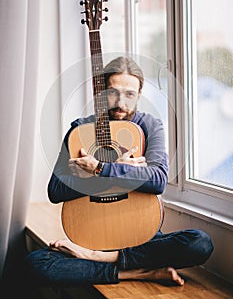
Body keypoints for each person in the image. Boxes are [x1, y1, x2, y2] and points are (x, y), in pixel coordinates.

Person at [25, 56, 213, 287]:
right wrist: (119, 173)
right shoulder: (79, 129)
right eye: (113, 92)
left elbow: (158, 181)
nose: (121, 103)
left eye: (130, 94)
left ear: (139, 95)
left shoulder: (150, 125)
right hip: (88, 234)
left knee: (199, 243)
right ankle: (138, 272)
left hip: (140, 233)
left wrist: (101, 168)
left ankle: (103, 259)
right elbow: (55, 191)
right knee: (36, 263)